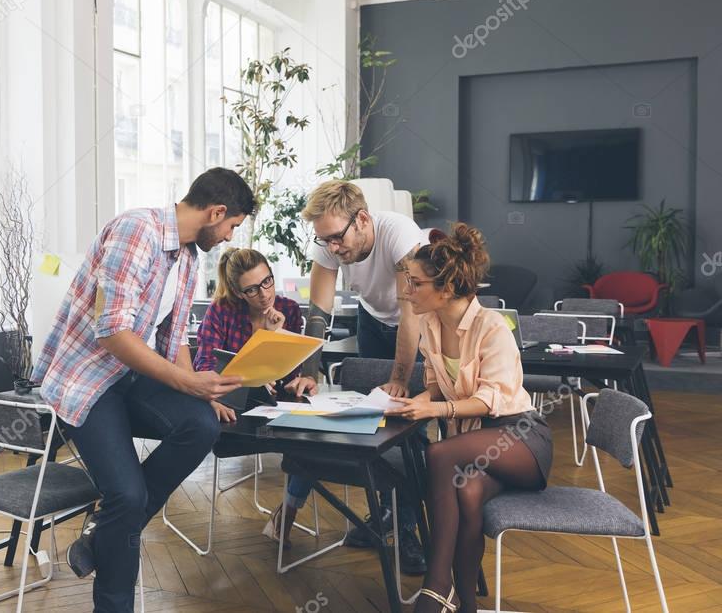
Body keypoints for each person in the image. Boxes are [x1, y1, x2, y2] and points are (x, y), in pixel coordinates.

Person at [31, 168, 256, 612]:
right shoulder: (138, 231)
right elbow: (112, 332)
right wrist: (187, 381)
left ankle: (104, 531)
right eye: (232, 226)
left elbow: (176, 339)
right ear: (216, 212)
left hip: (129, 378)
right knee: (127, 496)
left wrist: (201, 393)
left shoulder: (189, 258)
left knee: (200, 424)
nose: (230, 237)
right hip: (87, 381)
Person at [388, 224, 553, 613]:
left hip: (520, 438)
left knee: (441, 455)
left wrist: (436, 409)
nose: (405, 291)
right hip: (474, 444)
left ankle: (436, 584)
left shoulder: (492, 326)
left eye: (415, 283)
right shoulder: (429, 325)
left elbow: (490, 399)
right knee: (468, 491)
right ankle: (465, 605)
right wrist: (416, 401)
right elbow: (436, 386)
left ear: (444, 290)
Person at [298, 179, 428, 572]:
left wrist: (401, 379)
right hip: (373, 322)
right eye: (326, 241)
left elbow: (412, 315)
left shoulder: (400, 235)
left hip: (418, 325)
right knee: (373, 422)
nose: (333, 249)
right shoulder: (329, 241)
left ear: (364, 220)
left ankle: (409, 528)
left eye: (337, 238)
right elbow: (318, 312)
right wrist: (309, 373)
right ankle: (383, 514)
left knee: (410, 426)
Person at [191, 248, 319, 548]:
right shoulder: (222, 310)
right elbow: (204, 366)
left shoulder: (288, 308)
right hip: (231, 409)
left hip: (274, 408)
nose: (264, 294)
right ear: (238, 292)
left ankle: (286, 514)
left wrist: (285, 350)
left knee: (312, 441)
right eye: (252, 289)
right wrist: (214, 397)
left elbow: (290, 372)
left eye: (267, 282)